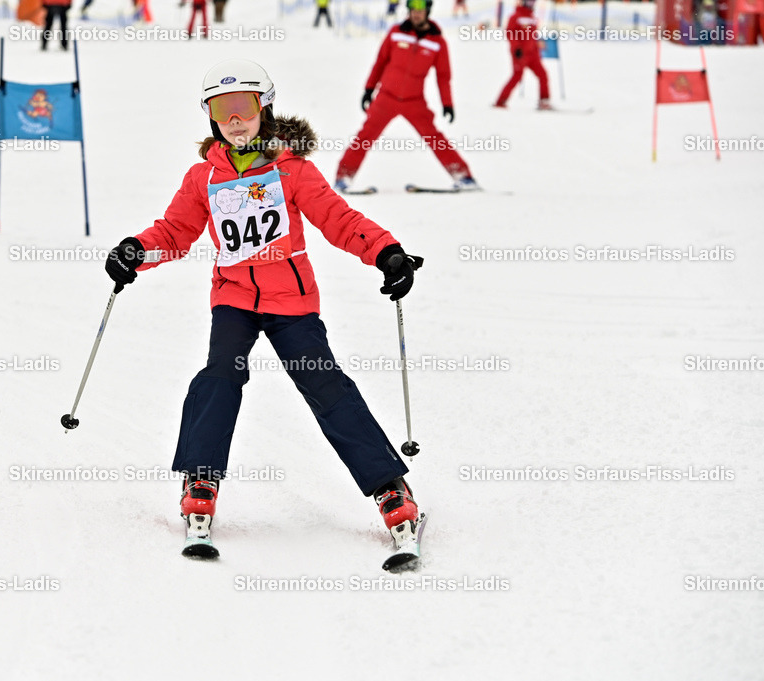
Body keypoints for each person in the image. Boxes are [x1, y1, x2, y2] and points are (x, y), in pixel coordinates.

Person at [103, 59, 424, 559]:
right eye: (221, 109)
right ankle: (200, 482)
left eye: (244, 107)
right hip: (233, 298)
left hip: (291, 300)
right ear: (210, 116)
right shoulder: (202, 178)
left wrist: (385, 252)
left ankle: (391, 488)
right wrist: (136, 252)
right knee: (219, 375)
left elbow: (338, 219)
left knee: (324, 383)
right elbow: (175, 233)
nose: (234, 119)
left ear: (264, 108)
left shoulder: (292, 169)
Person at [335, 0, 478, 192]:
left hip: (414, 101)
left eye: (420, 10)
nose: (416, 14)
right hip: (386, 97)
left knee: (435, 138)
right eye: (412, 10)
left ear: (427, 11)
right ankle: (344, 176)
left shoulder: (437, 42)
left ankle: (463, 175)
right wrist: (369, 89)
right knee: (365, 136)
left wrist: (447, 104)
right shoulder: (396, 32)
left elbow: (443, 77)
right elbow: (380, 62)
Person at [494, 0, 551, 110]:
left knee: (543, 74)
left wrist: (538, 46)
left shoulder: (533, 18)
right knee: (517, 76)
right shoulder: (515, 17)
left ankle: (544, 101)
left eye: (532, 2)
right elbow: (510, 33)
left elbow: (533, 36)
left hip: (533, 55)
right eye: (529, 2)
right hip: (520, 54)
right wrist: (516, 48)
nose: (531, 4)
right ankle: (500, 101)